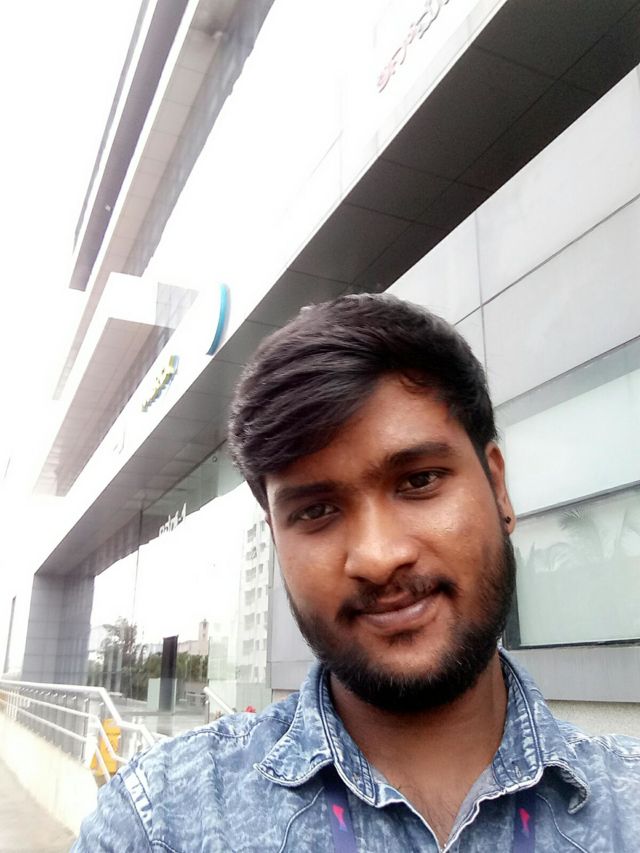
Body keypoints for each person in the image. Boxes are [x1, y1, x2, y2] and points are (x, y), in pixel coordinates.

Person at [74, 294, 640, 851]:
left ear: (498, 486)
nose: (377, 557)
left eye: (419, 480)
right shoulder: (160, 819)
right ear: (276, 539)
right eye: (316, 510)